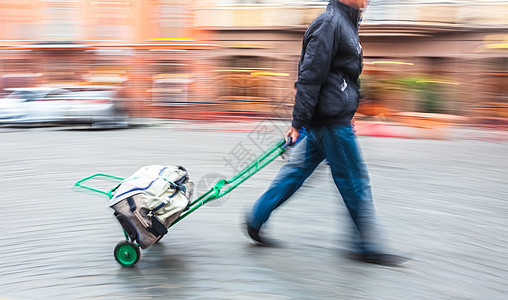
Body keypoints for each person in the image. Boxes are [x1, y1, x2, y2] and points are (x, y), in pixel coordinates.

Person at [245, 0, 409, 266]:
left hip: (328, 117)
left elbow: (343, 77)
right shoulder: (330, 23)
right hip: (331, 121)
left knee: (296, 173)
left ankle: (255, 218)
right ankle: (366, 245)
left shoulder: (345, 23)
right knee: (355, 180)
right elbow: (310, 76)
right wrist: (298, 123)